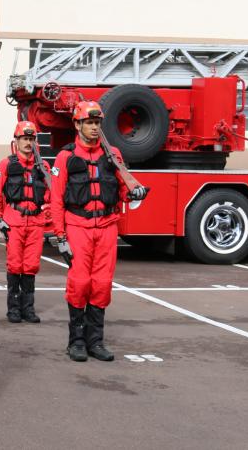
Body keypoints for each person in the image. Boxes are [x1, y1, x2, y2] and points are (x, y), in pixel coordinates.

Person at [50, 101, 146, 362]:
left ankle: (96, 341)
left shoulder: (112, 154)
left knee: (102, 284)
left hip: (106, 227)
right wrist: (60, 237)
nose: (94, 128)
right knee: (80, 283)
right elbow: (57, 199)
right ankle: (76, 341)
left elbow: (122, 187)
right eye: (89, 123)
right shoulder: (66, 157)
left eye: (97, 123)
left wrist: (133, 192)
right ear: (78, 124)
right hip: (77, 227)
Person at [0, 120, 50, 324]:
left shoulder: (43, 166)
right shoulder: (6, 164)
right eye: (24, 138)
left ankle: (28, 309)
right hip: (14, 221)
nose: (28, 142)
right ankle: (13, 310)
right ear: (16, 141)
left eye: (31, 139)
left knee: (31, 265)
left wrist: (48, 211)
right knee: (15, 265)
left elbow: (52, 193)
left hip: (36, 222)